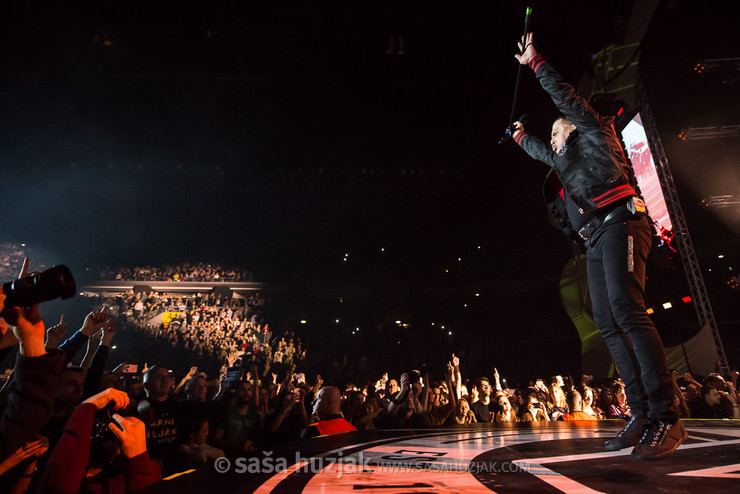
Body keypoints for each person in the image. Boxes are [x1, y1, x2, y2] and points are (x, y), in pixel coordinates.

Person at [511, 32, 685, 460]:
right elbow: (542, 152)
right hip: (595, 239)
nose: (553, 137)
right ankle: (640, 414)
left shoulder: (592, 129)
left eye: (556, 129)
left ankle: (668, 415)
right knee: (607, 322)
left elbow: (566, 100)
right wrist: (519, 136)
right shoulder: (560, 157)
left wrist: (536, 64)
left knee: (627, 310)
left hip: (622, 222)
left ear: (573, 122)